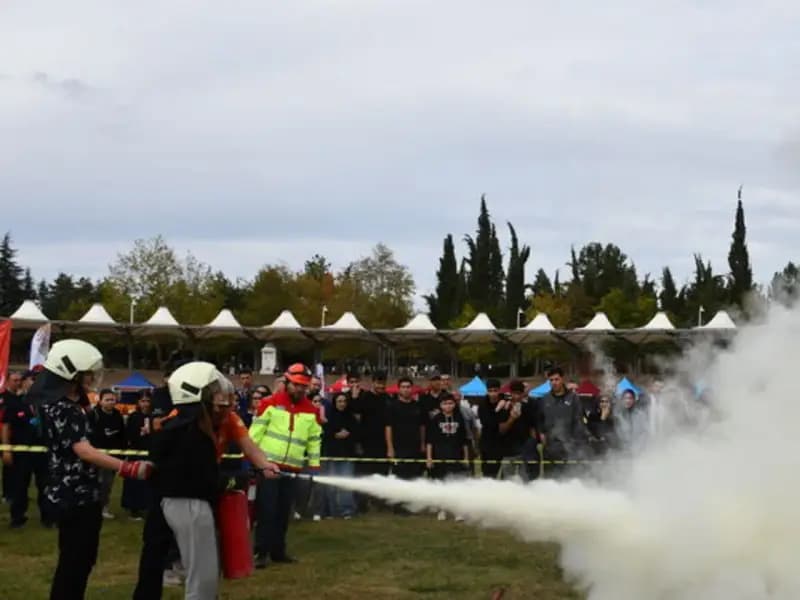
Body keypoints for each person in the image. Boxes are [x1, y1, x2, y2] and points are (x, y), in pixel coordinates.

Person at [133, 362, 281, 599]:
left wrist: (264, 465)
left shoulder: (222, 420)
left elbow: (249, 447)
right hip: (184, 495)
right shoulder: (184, 428)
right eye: (214, 394)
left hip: (188, 493)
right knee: (163, 555)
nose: (223, 404)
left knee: (198, 562)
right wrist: (235, 480)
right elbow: (188, 470)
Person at [27, 339, 152, 600]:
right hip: (76, 494)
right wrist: (127, 467)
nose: (92, 378)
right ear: (71, 374)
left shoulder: (57, 404)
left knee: (76, 560)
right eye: (87, 373)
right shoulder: (65, 409)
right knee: (76, 562)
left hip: (71, 491)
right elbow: (83, 450)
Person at [249, 363, 321, 569]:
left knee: (283, 512)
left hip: (293, 468)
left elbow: (315, 439)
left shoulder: (311, 410)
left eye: (304, 386)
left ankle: (278, 552)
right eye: (297, 385)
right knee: (267, 511)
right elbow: (254, 435)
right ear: (287, 382)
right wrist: (255, 461)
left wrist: (314, 464)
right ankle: (261, 552)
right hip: (269, 467)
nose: (300, 389)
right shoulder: (268, 403)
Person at [2, 369, 54, 528]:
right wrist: (6, 449)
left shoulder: (45, 403)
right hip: (22, 451)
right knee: (20, 486)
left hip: (42, 451)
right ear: (24, 382)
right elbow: (5, 426)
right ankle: (18, 518)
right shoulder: (14, 402)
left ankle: (48, 518)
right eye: (32, 380)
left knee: (45, 485)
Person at [537, 367, 590, 479]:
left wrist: (577, 443)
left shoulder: (574, 398)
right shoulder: (544, 399)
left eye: (556, 379)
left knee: (570, 479)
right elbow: (539, 420)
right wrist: (541, 434)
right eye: (551, 380)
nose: (554, 382)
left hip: (570, 446)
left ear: (562, 379)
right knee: (551, 479)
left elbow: (578, 421)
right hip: (550, 447)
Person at [426, 393, 469, 521]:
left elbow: (464, 441)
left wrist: (466, 457)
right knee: (442, 484)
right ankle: (442, 510)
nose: (448, 406)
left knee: (456, 484)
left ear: (454, 404)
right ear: (440, 405)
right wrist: (429, 458)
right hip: (440, 457)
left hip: (456, 456)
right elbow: (430, 441)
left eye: (450, 403)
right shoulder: (435, 419)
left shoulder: (460, 418)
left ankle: (458, 511)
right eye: (445, 403)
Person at [88, 388, 125, 519]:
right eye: (107, 400)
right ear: (100, 401)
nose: (110, 402)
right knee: (92, 482)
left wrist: (121, 455)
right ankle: (91, 507)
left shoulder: (117, 415)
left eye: (113, 399)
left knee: (107, 483)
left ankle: (104, 507)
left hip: (111, 456)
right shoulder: (93, 415)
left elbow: (121, 436)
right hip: (94, 455)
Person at [321, 392, 359, 519]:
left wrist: (348, 434)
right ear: (335, 403)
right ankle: (331, 511)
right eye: (339, 401)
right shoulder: (329, 417)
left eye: (344, 401)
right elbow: (324, 433)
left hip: (347, 455)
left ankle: (347, 510)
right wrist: (335, 434)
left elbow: (356, 432)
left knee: (346, 484)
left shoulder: (351, 417)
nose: (342, 404)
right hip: (332, 455)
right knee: (331, 485)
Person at [385, 377, 427, 482]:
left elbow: (422, 426)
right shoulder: (392, 406)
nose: (406, 389)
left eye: (408, 387)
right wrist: (390, 448)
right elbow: (388, 428)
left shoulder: (418, 406)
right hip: (398, 448)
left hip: (415, 448)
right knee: (399, 478)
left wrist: (422, 444)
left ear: (412, 389)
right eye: (403, 387)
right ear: (399, 389)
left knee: (415, 477)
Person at [122, 390, 154, 520]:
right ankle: (133, 509)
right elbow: (129, 435)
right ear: (138, 402)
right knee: (134, 481)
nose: (145, 404)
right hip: (136, 453)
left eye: (147, 401)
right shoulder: (134, 416)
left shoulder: (154, 416)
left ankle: (147, 507)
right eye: (142, 401)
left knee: (149, 481)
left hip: (150, 453)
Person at [477, 379, 505, 479]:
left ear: (499, 390)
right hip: (487, 443)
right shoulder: (482, 404)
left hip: (502, 443)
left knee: (502, 473)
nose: (493, 393)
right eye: (490, 391)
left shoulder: (505, 400)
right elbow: (487, 422)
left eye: (495, 390)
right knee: (487, 473)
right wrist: (497, 409)